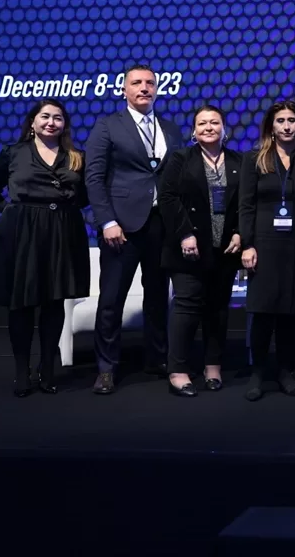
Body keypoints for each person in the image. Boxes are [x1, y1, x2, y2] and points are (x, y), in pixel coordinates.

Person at [84, 64, 184, 395]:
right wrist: (107, 221)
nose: (144, 88)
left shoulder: (170, 129)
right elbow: (94, 178)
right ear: (124, 89)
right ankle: (106, 368)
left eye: (150, 83)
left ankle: (157, 359)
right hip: (121, 227)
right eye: (137, 83)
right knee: (111, 299)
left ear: (157, 89)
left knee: (157, 297)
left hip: (160, 225)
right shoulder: (107, 125)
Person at [0, 99, 90, 396]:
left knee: (54, 303)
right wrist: (12, 212)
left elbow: (85, 198)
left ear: (64, 125)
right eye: (45, 116)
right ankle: (21, 370)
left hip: (62, 233)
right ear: (32, 122)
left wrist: (71, 196)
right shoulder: (13, 153)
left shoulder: (76, 157)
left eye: (58, 118)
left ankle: (48, 368)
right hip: (22, 234)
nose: (51, 122)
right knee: (22, 304)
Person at [239, 101, 295, 401]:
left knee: (292, 312)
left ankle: (286, 372)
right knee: (263, 311)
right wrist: (248, 243)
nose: (287, 126)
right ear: (271, 126)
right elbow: (246, 205)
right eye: (281, 121)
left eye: (292, 120)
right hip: (264, 244)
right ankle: (257, 373)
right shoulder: (255, 159)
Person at [157, 105, 243, 396]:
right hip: (187, 247)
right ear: (194, 130)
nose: (208, 127)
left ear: (224, 128)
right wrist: (185, 234)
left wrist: (240, 232)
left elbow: (246, 203)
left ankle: (213, 366)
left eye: (214, 122)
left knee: (218, 308)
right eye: (202, 123)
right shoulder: (180, 158)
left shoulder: (239, 161)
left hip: (225, 248)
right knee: (187, 305)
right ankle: (177, 370)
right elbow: (167, 198)